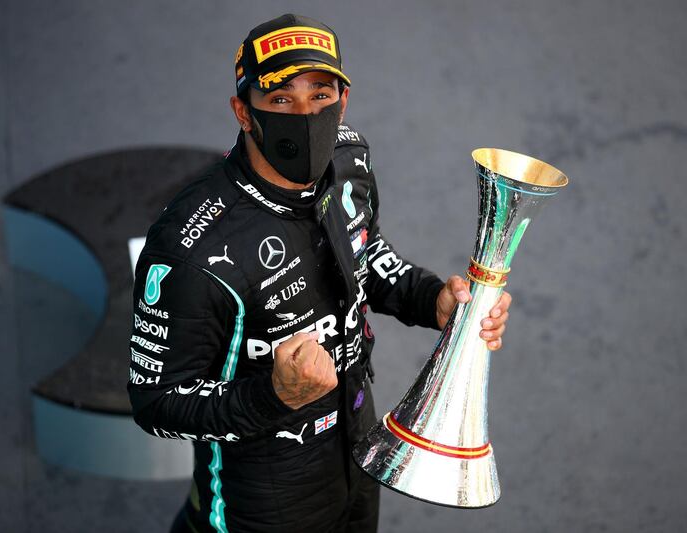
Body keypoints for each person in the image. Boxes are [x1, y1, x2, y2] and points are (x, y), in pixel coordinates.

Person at [127, 13, 511, 533]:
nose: (305, 113)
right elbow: (155, 402)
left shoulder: (350, 158)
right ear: (244, 112)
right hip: (258, 505)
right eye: (281, 99)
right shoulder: (192, 247)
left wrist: (431, 300)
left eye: (321, 95)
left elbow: (364, 250)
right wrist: (274, 395)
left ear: (343, 101)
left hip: (361, 453)